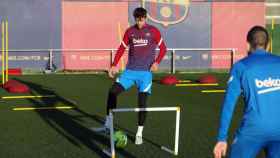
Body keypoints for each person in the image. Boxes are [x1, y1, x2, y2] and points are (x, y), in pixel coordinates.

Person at [92, 7, 167, 145]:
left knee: (142, 102)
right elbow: (121, 48)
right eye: (137, 19)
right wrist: (114, 64)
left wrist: (157, 62)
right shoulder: (130, 31)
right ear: (135, 18)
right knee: (112, 92)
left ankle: (139, 133)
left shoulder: (154, 31)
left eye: (142, 18)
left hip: (145, 74)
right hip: (129, 72)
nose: (140, 22)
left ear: (146, 18)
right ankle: (107, 125)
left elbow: (163, 49)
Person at [213, 25, 280, 158]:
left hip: (253, 131)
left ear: (247, 45)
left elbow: (229, 104)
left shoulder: (240, 67)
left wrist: (222, 138)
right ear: (268, 45)